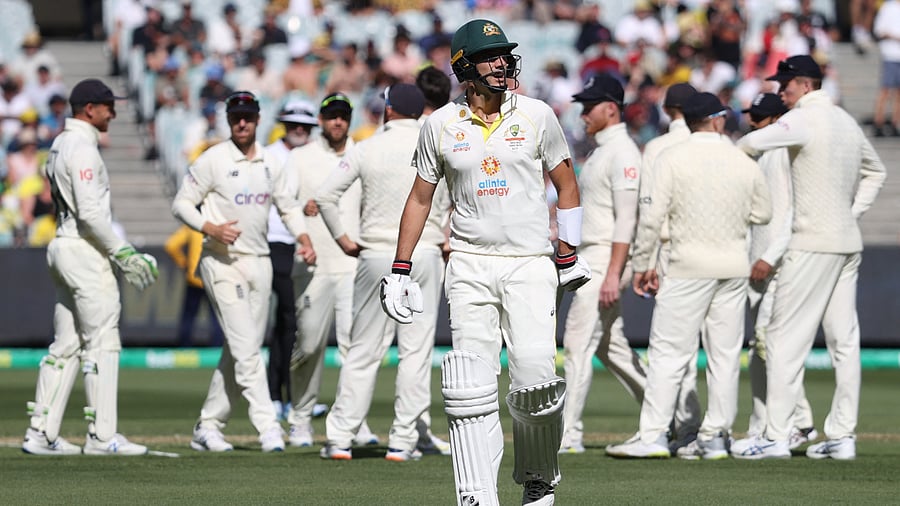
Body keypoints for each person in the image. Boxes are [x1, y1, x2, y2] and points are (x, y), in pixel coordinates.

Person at [383, 19, 590, 505]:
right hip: (469, 264)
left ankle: (538, 479)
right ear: (463, 68)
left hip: (529, 262)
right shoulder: (439, 124)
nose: (501, 63)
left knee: (537, 380)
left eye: (504, 55)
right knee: (469, 386)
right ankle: (476, 493)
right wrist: (399, 269)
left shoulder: (537, 115)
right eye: (489, 57)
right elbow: (419, 198)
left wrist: (568, 251)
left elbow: (567, 186)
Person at [731, 55, 887, 460]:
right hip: (846, 242)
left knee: (782, 338)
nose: (781, 92)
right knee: (844, 342)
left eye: (785, 85)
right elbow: (876, 172)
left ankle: (776, 437)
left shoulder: (802, 118)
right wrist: (849, 214)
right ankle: (842, 436)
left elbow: (750, 142)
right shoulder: (845, 121)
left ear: (804, 84)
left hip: (811, 243)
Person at [606, 92, 772, 460]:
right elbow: (763, 212)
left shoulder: (670, 157)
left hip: (687, 266)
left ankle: (653, 435)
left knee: (668, 352)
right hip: (732, 267)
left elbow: (652, 219)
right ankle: (716, 436)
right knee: (724, 355)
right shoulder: (741, 158)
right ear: (717, 120)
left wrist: (643, 264)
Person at [172, 91, 315, 453]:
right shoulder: (213, 159)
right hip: (222, 261)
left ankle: (208, 426)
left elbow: (287, 206)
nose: (242, 123)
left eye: (248, 116)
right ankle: (268, 427)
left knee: (239, 348)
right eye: (236, 117)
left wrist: (303, 237)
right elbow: (181, 204)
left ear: (257, 119)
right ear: (228, 120)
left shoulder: (271, 162)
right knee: (247, 347)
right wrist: (209, 228)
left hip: (260, 261)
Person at [22, 78, 158, 456]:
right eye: (107, 106)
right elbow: (90, 213)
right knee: (102, 340)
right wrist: (123, 252)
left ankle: (41, 433)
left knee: (66, 344)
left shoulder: (61, 144)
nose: (112, 113)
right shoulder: (81, 148)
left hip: (63, 245)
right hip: (83, 250)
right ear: (89, 109)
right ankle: (102, 436)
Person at [317, 84, 449, 462]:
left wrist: (344, 240)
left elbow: (325, 196)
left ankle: (340, 438)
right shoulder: (438, 144)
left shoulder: (367, 147)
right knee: (415, 353)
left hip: (376, 254)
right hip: (424, 253)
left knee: (363, 350)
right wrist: (444, 232)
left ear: (388, 110)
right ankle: (402, 441)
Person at [558, 74, 645, 455]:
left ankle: (567, 435)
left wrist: (612, 273)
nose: (583, 115)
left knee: (578, 343)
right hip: (594, 257)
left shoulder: (623, 152)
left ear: (611, 108)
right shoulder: (602, 151)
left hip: (605, 259)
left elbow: (627, 220)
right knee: (611, 348)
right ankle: (675, 417)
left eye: (589, 107)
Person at [284, 93, 377, 448]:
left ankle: (355, 420)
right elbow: (285, 201)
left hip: (355, 266)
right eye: (331, 116)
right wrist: (302, 230)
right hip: (314, 265)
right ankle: (300, 418)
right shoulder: (300, 157)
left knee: (356, 347)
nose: (338, 122)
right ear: (321, 120)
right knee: (308, 345)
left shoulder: (364, 154)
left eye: (343, 116)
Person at [739, 93, 817, 448]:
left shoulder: (785, 154)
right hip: (757, 266)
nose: (751, 122)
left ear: (773, 121)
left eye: (757, 118)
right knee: (759, 347)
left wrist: (770, 256)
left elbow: (795, 212)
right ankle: (761, 425)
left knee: (772, 343)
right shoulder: (763, 156)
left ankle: (800, 423)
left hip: (779, 264)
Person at [639, 82, 703, 453]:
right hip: (714, 248)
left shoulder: (658, 147)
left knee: (673, 342)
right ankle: (708, 432)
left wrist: (644, 262)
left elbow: (650, 210)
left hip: (671, 250)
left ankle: (682, 428)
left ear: (666, 109)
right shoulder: (716, 146)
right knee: (716, 347)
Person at [264, 99, 319, 421]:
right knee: (289, 318)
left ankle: (289, 396)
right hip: (277, 241)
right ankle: (281, 395)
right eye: (293, 124)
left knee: (294, 322)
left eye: (305, 125)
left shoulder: (314, 155)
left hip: (306, 243)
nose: (299, 130)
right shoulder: (270, 155)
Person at [164, 224, 224, 347]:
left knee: (189, 316)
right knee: (216, 317)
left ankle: (185, 348)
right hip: (213, 277)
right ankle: (217, 349)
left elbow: (171, 245)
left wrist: (183, 263)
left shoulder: (192, 225)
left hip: (194, 278)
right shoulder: (218, 225)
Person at [872, 0, 900, 137]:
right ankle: (878, 122)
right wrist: (895, 37)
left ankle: (896, 123)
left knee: (899, 93)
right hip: (890, 54)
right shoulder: (888, 7)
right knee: (885, 90)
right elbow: (879, 30)